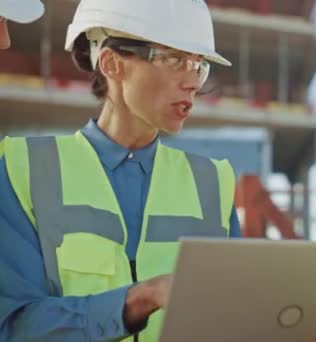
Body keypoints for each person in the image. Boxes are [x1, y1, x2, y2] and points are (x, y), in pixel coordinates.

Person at [0, 0, 241, 340]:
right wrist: (138, 301)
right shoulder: (21, 170)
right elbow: (12, 326)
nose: (193, 83)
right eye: (174, 59)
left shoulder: (214, 183)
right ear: (112, 63)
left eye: (198, 65)